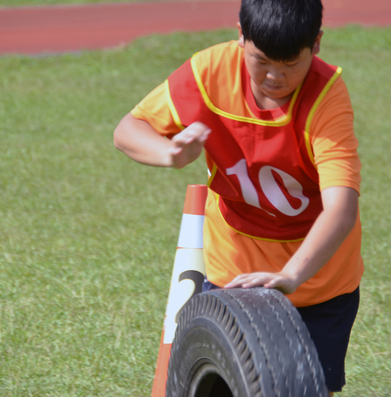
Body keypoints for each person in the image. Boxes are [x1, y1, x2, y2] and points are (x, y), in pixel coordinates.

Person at [113, 0, 363, 394]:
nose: (275, 77)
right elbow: (128, 129)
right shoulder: (210, 72)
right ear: (241, 36)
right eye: (261, 61)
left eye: (291, 64)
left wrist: (291, 277)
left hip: (318, 286)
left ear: (316, 44)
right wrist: (170, 154)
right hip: (234, 279)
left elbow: (341, 208)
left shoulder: (326, 96)